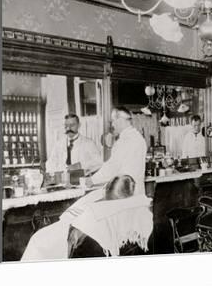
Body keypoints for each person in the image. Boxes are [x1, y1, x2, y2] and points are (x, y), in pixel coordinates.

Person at [21, 107, 148, 260]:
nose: (112, 124)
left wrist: (91, 180)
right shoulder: (136, 138)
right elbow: (51, 165)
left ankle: (60, 238)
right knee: (81, 210)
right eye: (66, 125)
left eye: (113, 121)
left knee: (79, 213)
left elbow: (109, 167)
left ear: (120, 120)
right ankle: (63, 231)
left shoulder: (126, 141)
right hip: (125, 192)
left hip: (123, 192)